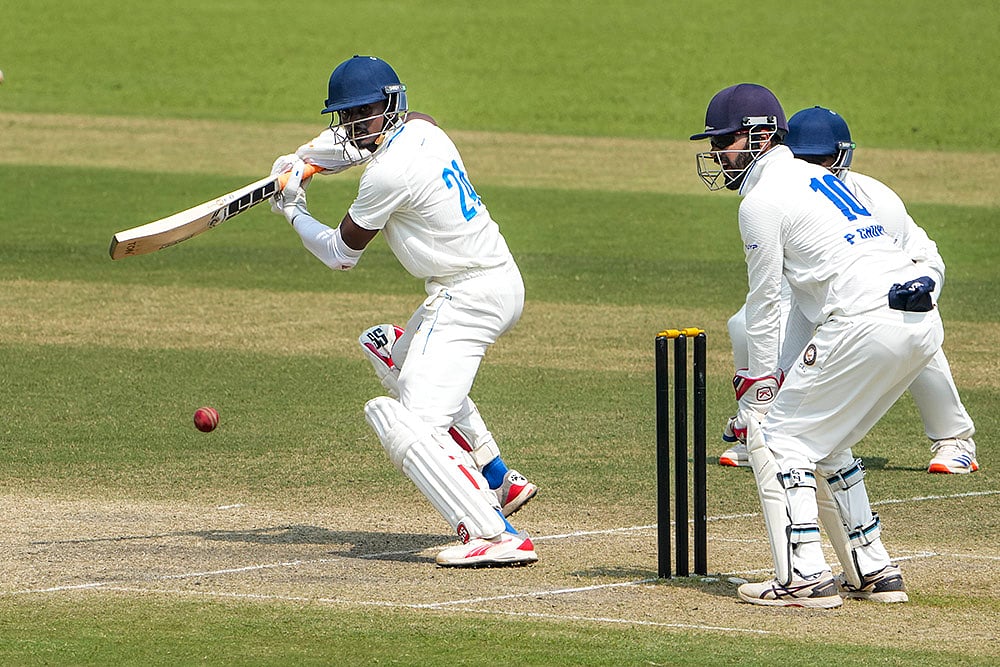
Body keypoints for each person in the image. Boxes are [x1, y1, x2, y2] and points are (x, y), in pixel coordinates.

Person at [270, 55, 537, 567]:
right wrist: (304, 159)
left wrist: (294, 211)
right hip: (487, 281)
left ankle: (495, 534)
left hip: (468, 295)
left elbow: (340, 253)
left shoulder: (388, 174)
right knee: (387, 350)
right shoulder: (422, 129)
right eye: (344, 118)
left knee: (414, 425)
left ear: (390, 106)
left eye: (361, 117)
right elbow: (355, 145)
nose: (352, 129)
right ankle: (497, 475)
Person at [691, 83, 944, 607]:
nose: (718, 154)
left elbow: (765, 303)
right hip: (918, 323)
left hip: (863, 323)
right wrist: (780, 377)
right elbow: (804, 307)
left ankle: (804, 577)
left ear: (760, 135)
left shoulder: (761, 201)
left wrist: (758, 389)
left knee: (779, 441)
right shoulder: (818, 177)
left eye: (726, 141)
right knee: (824, 438)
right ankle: (872, 569)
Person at [718, 106, 978, 475]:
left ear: (843, 156)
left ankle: (954, 439)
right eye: (806, 158)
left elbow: (926, 256)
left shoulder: (877, 199)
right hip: (823, 291)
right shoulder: (784, 194)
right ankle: (760, 428)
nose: (817, 167)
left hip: (889, 295)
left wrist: (926, 284)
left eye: (823, 158)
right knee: (746, 325)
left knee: (909, 326)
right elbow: (786, 305)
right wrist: (763, 400)